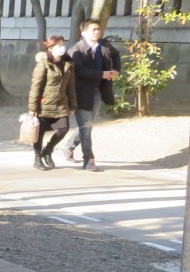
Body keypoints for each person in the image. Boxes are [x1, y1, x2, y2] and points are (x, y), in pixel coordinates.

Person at [63, 18, 121, 171]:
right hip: (80, 93)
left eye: (98, 29)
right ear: (83, 33)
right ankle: (88, 159)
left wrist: (116, 70)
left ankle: (69, 146)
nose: (97, 32)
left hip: (97, 92)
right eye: (93, 30)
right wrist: (101, 74)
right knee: (86, 125)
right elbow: (79, 70)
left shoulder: (104, 45)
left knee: (87, 125)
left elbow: (116, 55)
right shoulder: (76, 50)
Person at [27, 35, 77, 170]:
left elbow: (71, 87)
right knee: (40, 132)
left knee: (63, 129)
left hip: (61, 104)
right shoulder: (43, 64)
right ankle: (37, 158)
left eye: (63, 45)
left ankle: (48, 150)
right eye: (58, 46)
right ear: (50, 48)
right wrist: (33, 107)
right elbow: (35, 87)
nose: (62, 48)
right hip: (44, 104)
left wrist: (73, 105)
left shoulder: (68, 64)